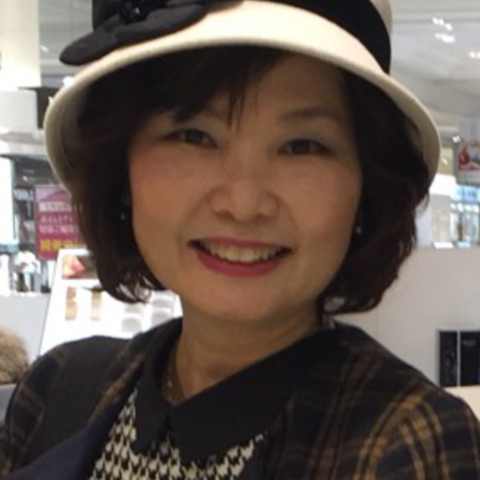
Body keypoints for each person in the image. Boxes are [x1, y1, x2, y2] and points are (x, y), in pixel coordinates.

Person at [1, 0, 479, 478]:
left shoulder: (405, 443)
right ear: (122, 168)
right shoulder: (58, 394)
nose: (244, 203)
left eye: (303, 146)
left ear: (365, 187)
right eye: (194, 136)